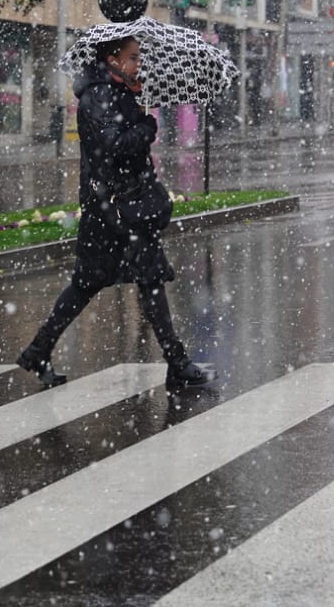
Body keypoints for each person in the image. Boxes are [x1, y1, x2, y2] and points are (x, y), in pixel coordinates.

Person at [17, 36, 214, 392]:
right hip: (114, 210)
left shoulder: (118, 92)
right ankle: (176, 364)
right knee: (103, 283)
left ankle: (39, 349)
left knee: (136, 281)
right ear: (112, 58)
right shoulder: (98, 96)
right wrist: (146, 128)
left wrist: (138, 116)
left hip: (122, 207)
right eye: (133, 57)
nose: (138, 64)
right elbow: (113, 146)